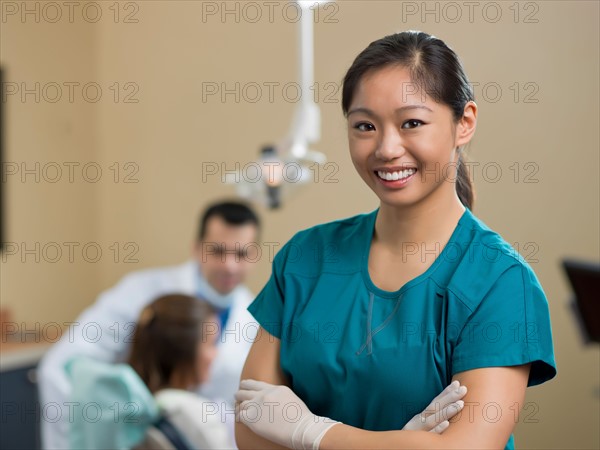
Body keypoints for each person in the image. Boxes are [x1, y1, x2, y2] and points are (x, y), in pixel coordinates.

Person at [235, 31, 557, 450]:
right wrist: (397, 444)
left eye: (412, 123)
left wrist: (309, 432)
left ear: (465, 123)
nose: (387, 148)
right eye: (365, 126)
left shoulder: (500, 282)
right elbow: (250, 431)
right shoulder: (305, 258)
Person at [38, 200, 260, 449]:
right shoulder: (140, 292)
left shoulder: (259, 320)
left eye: (241, 254)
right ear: (197, 248)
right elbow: (60, 367)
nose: (229, 266)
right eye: (218, 251)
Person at [128, 294, 235, 449]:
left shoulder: (138, 407)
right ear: (185, 350)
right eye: (211, 344)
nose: (215, 354)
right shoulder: (191, 413)